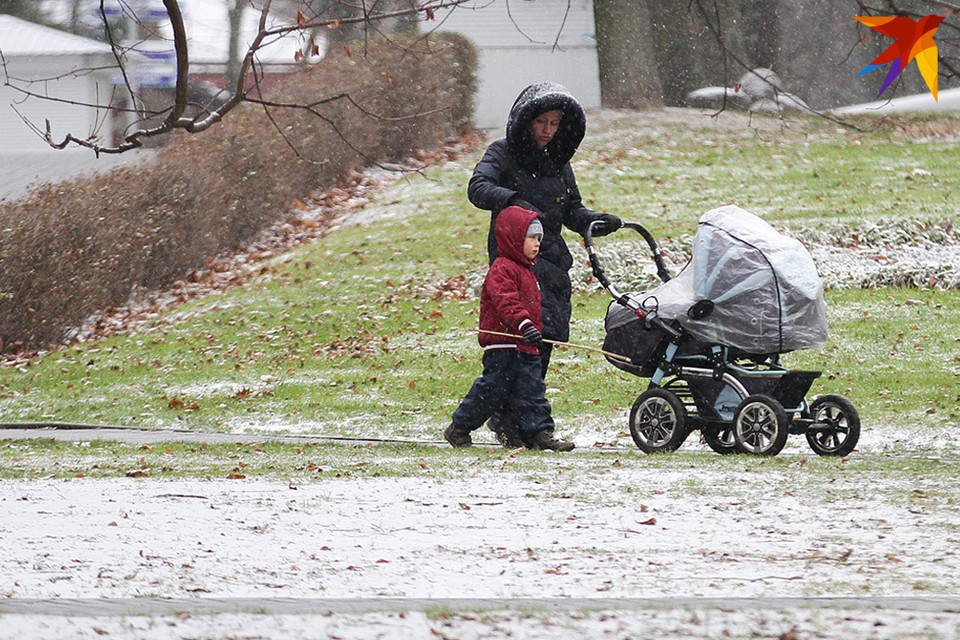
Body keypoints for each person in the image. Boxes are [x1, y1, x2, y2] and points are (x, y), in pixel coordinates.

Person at [467, 82, 621, 446]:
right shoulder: (502, 154)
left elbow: (570, 210)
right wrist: (513, 201)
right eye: (541, 122)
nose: (547, 130)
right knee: (515, 347)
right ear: (525, 121)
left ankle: (522, 420)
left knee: (542, 342)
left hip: (551, 262)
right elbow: (477, 188)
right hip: (513, 261)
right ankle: (521, 422)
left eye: (554, 123)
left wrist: (594, 221)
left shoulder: (559, 163)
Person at [444, 205, 575, 452]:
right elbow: (507, 302)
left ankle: (539, 432)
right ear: (514, 238)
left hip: (525, 344)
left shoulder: (528, 270)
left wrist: (535, 330)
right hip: (504, 345)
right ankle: (459, 427)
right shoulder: (502, 269)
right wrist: (525, 325)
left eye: (539, 238)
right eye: (531, 238)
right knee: (491, 390)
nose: (537, 243)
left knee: (532, 390)